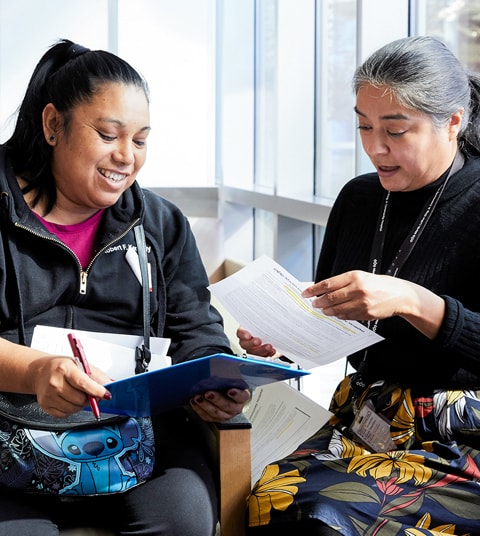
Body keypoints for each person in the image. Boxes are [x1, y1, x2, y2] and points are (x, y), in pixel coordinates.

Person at [0, 38, 249, 536]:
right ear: (53, 125)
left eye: (140, 140)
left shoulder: (159, 224)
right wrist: (37, 372)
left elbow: (194, 326)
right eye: (109, 134)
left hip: (141, 442)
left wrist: (215, 380)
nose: (126, 157)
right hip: (11, 441)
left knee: (182, 523)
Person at [241, 35, 480, 535]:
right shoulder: (359, 199)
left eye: (395, 130)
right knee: (269, 499)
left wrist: (415, 302)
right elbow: (335, 319)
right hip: (365, 417)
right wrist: (285, 336)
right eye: (364, 126)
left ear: (453, 121)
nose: (374, 147)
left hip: (459, 436)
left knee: (328, 516)